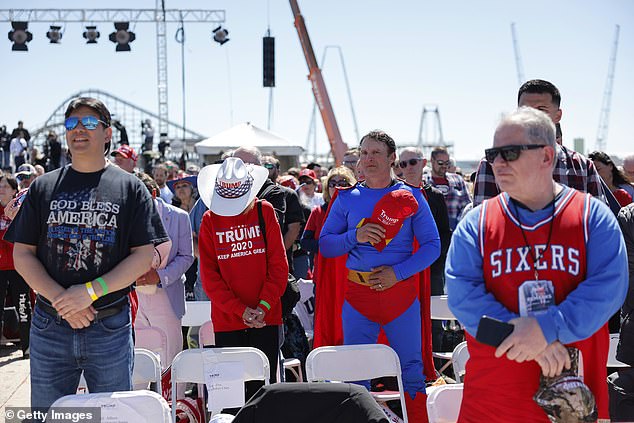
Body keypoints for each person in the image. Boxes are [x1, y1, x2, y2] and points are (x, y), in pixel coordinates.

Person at [445, 107, 627, 422]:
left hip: (572, 399)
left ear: (546, 156)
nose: (497, 162)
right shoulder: (476, 222)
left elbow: (609, 288)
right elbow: (462, 297)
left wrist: (546, 328)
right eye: (493, 153)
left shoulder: (592, 217)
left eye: (510, 152)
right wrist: (528, 338)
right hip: (492, 398)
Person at [4, 97, 168, 412]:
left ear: (107, 133)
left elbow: (143, 255)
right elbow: (23, 253)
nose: (79, 129)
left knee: (113, 417)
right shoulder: (43, 188)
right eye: (71, 123)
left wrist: (90, 292)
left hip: (109, 327)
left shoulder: (130, 188)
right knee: (47, 417)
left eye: (89, 122)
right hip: (51, 325)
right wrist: (63, 300)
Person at [320, 130, 441, 422]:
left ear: (391, 159)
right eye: (363, 153)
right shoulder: (347, 198)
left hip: (400, 296)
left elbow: (433, 246)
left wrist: (397, 274)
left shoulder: (411, 197)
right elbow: (325, 244)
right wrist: (355, 235)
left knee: (412, 372)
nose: (368, 158)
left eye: (375, 153)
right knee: (356, 374)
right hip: (358, 298)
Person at [198, 157, 288, 403]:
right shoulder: (209, 220)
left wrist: (263, 307)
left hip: (266, 317)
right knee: (231, 397)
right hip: (229, 320)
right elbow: (210, 277)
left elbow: (279, 267)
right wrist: (242, 311)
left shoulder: (264, 211)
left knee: (263, 395)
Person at [473, 79, 607, 209]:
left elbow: (599, 222)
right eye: (525, 110)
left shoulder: (581, 166)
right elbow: (483, 224)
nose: (532, 117)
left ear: (558, 116)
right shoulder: (493, 163)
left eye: (541, 110)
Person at [134, 173, 194, 371]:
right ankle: (139, 401)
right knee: (137, 364)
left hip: (167, 296)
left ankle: (173, 401)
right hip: (134, 299)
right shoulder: (126, 217)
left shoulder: (178, 217)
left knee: (170, 361)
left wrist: (160, 276)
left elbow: (187, 256)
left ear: (153, 193)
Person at [301, 166, 355, 348]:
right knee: (326, 317)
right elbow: (305, 242)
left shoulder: (356, 211)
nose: (337, 187)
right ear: (326, 187)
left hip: (351, 276)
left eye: (343, 183)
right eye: (333, 183)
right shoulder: (318, 212)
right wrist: (329, 245)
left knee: (350, 320)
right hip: (325, 277)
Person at [0, 174, 31, 358]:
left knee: (23, 305)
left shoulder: (21, 210)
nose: (1, 189)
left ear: (14, 191)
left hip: (18, 266)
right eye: (0, 185)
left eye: (5, 186)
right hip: (0, 268)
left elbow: (20, 239)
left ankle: (27, 347)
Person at [423, 146, 471, 231]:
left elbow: (467, 207)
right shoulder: (423, 182)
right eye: (441, 163)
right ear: (432, 161)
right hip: (431, 232)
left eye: (447, 163)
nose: (444, 166)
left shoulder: (458, 180)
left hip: (455, 231)